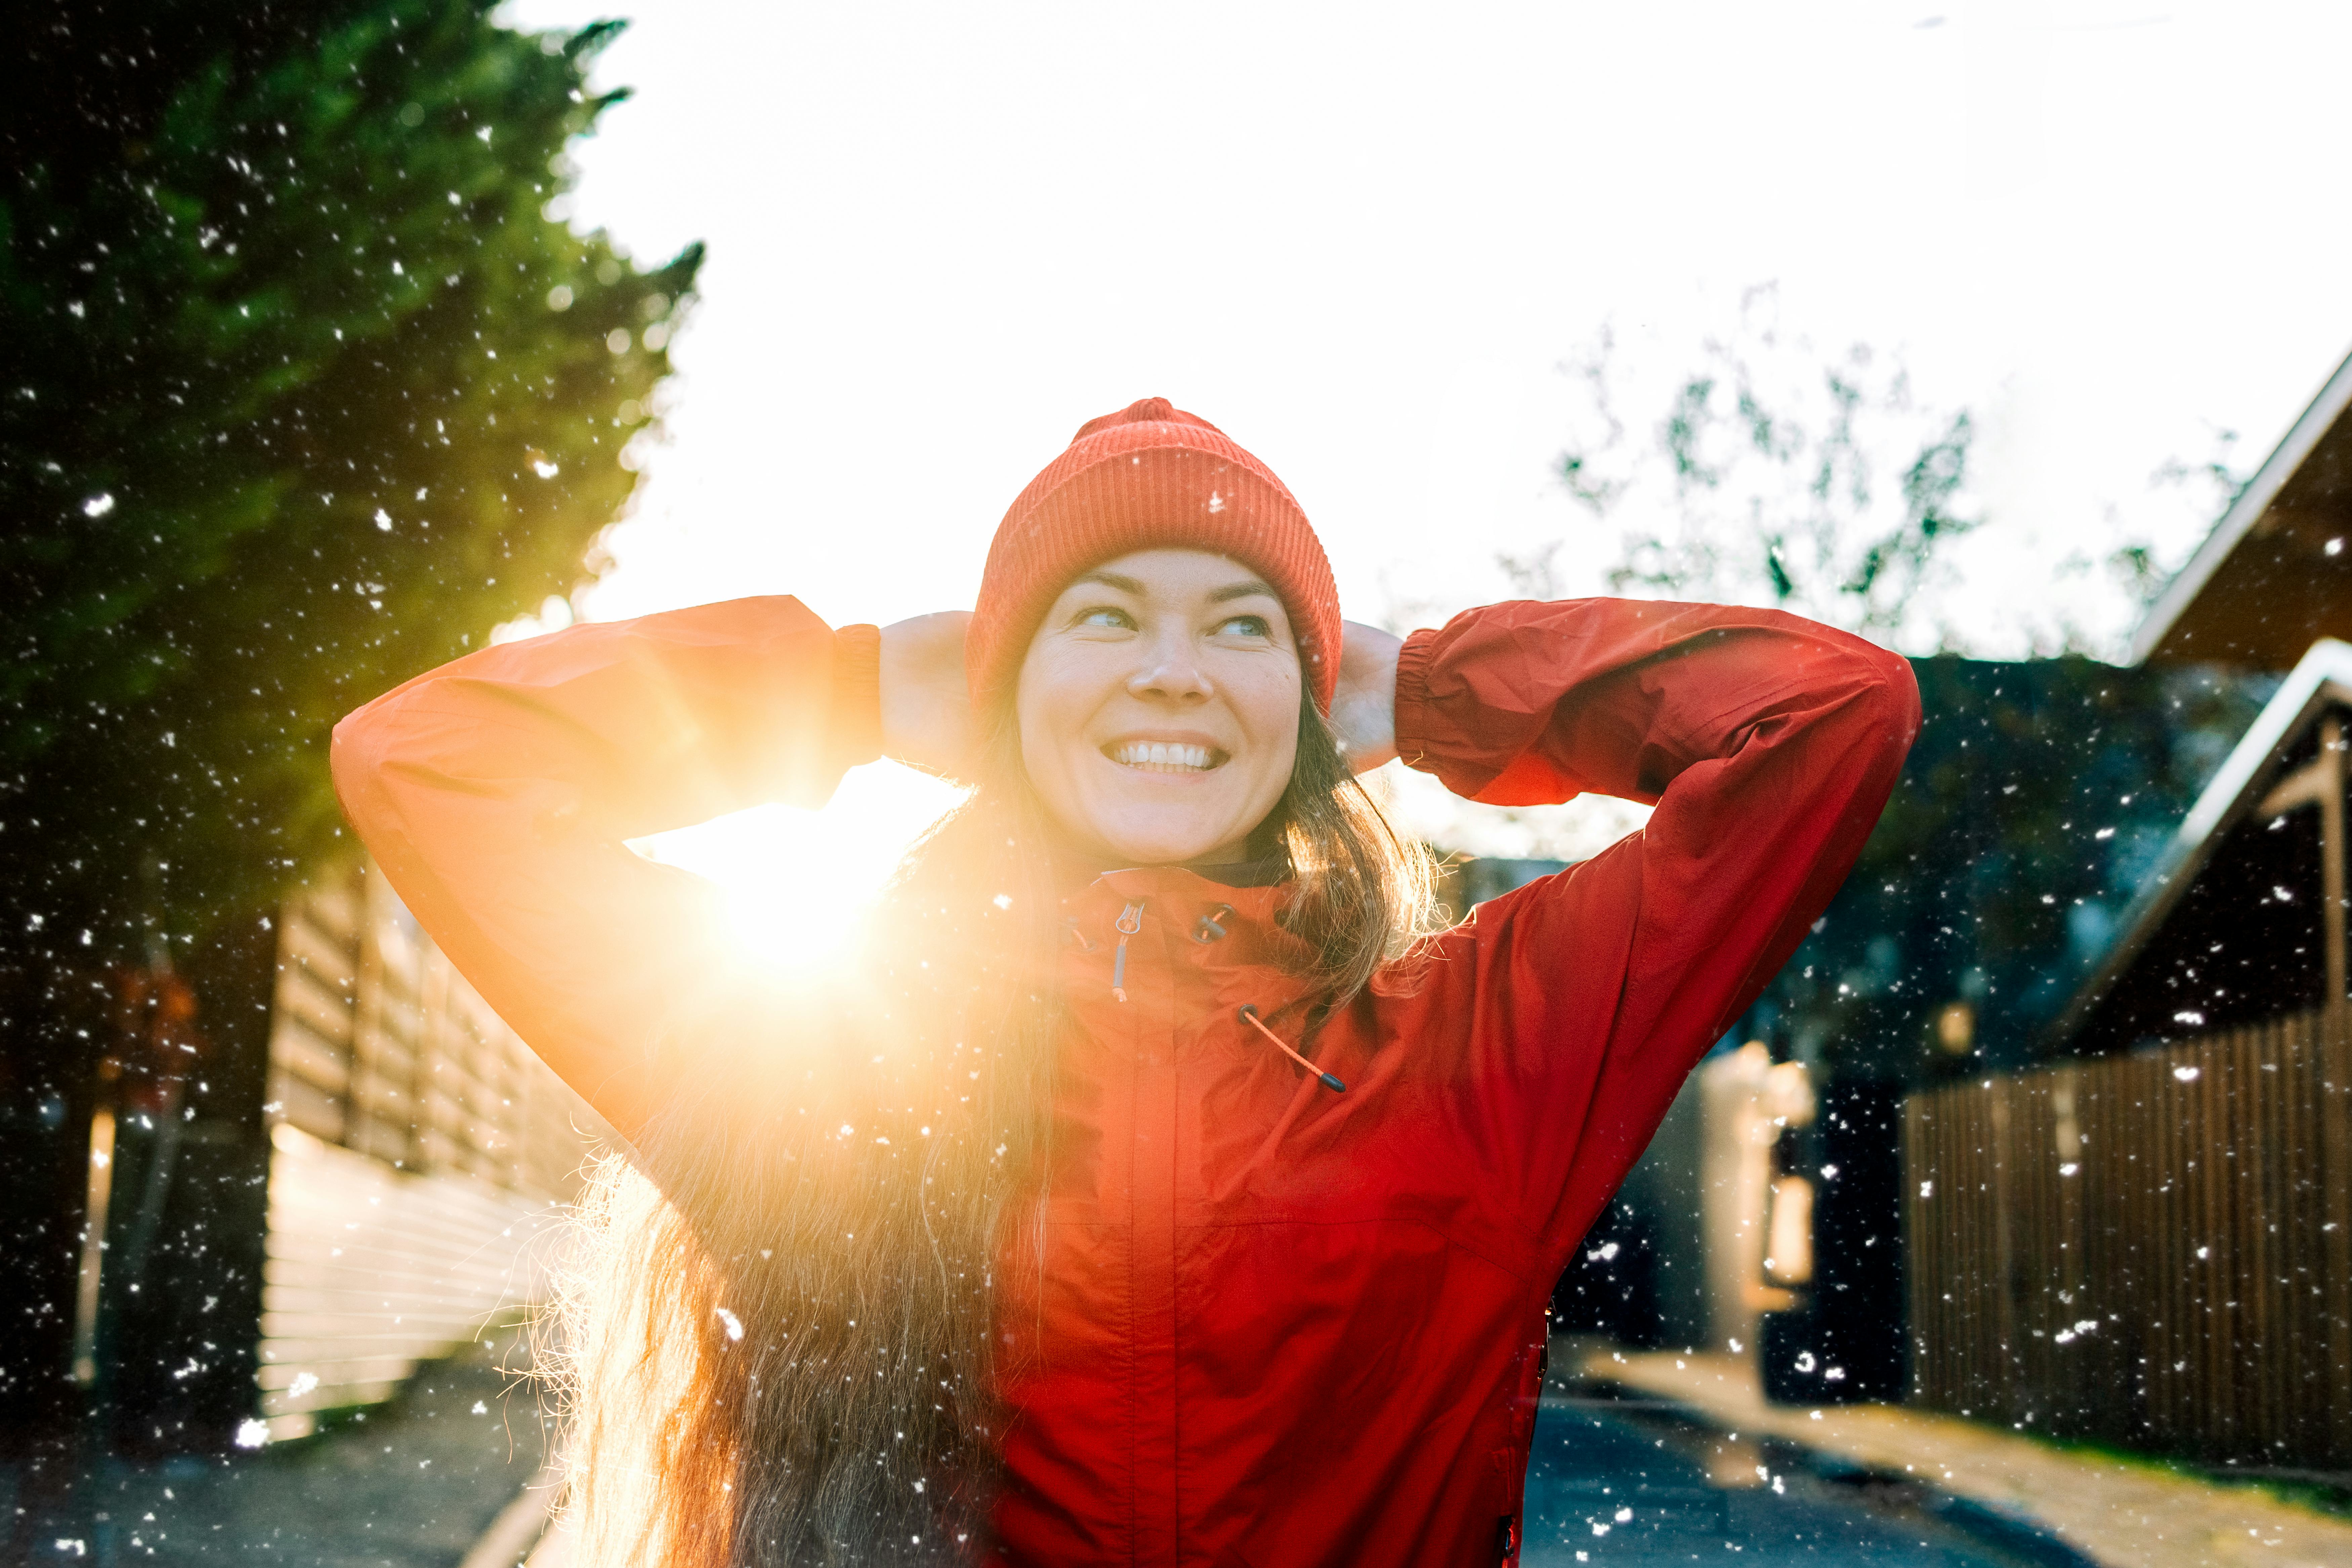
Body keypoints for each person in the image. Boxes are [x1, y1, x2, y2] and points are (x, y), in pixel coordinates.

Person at [331, 397, 1918, 1567]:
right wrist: (844, 688)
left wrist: (1431, 692)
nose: (1174, 668)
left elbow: (1829, 717)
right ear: (995, 694)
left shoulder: (1471, 1045)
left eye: (1242, 628)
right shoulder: (816, 1060)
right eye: (1102, 618)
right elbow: (422, 762)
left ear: (1308, 709)